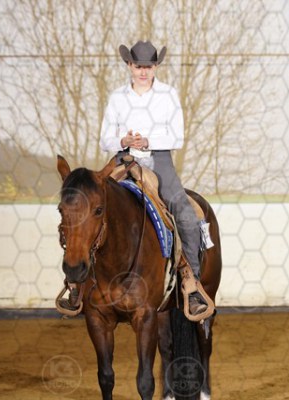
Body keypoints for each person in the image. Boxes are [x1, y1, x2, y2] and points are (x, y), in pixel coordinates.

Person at [99, 40, 207, 316]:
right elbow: (104, 139)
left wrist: (148, 141)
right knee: (92, 206)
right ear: (129, 65)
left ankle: (191, 282)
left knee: (183, 211)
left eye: (148, 67)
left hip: (159, 160)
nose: (143, 72)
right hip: (124, 160)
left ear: (156, 66)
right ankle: (80, 283)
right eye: (138, 66)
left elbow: (177, 137)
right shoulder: (117, 97)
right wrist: (122, 140)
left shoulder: (168, 95)